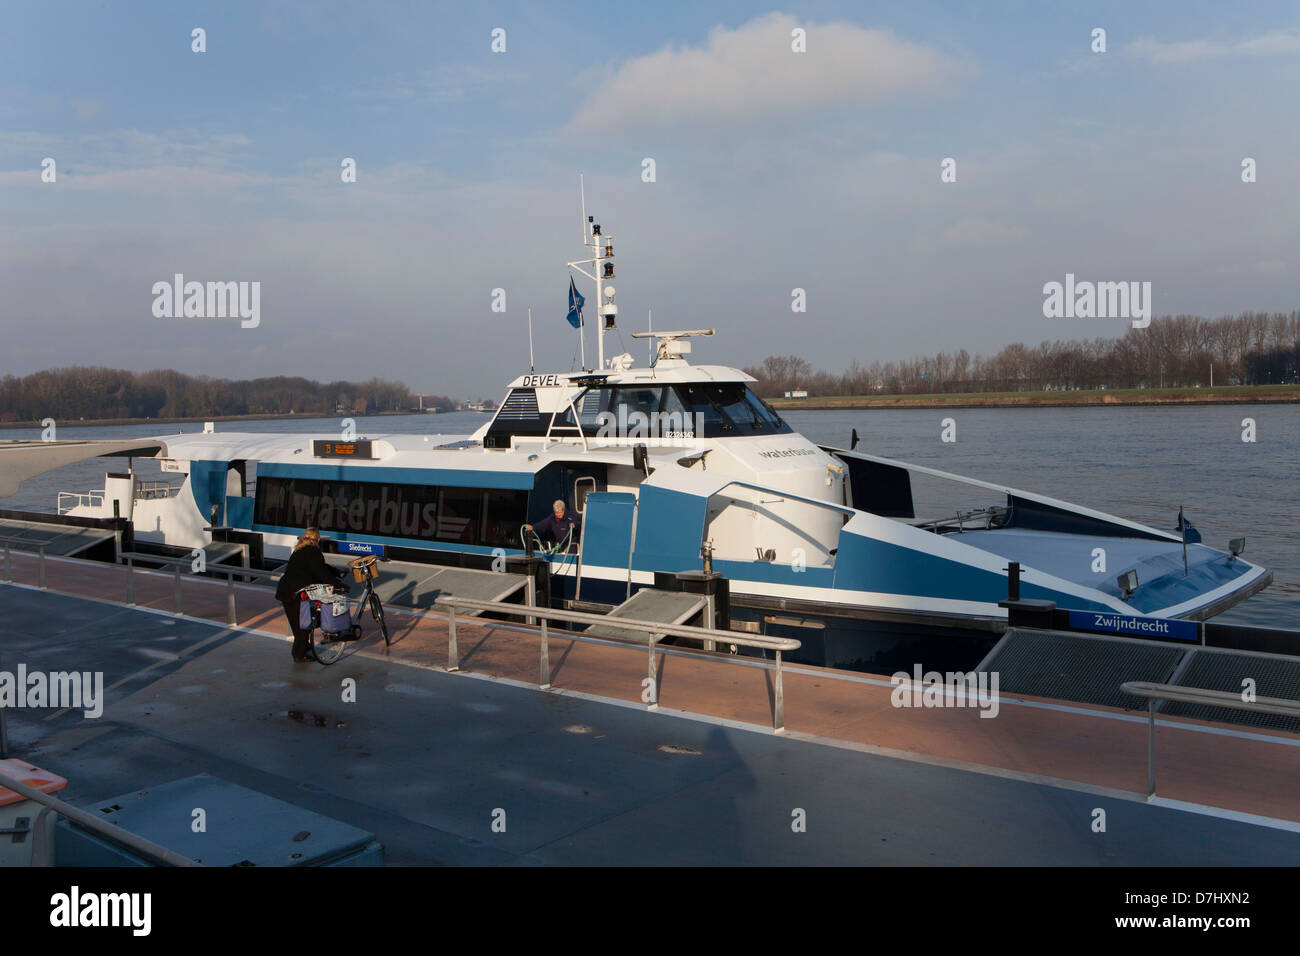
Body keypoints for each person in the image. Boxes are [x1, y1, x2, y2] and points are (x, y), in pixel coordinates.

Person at [274, 527, 345, 662]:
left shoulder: (299, 549)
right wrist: (338, 584)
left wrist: (336, 571)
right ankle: (299, 655)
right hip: (295, 594)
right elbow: (321, 573)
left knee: (298, 625)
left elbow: (319, 567)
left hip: (285, 591)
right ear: (318, 539)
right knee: (303, 627)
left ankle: (304, 648)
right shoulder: (314, 552)